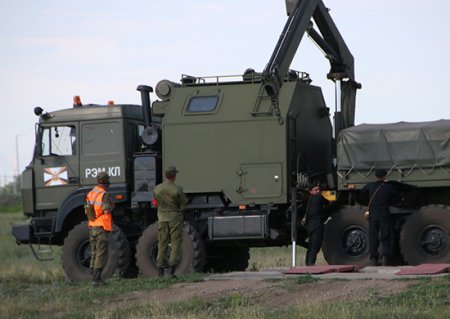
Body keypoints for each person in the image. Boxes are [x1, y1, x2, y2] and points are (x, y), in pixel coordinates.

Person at [153, 166, 188, 278]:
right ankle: (172, 271)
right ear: (174, 176)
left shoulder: (157, 189)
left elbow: (155, 204)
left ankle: (160, 271)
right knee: (175, 244)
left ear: (165, 175)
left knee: (162, 243)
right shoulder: (177, 189)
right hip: (175, 219)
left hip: (162, 218)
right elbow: (184, 205)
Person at [361, 169, 398, 266]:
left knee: (373, 237)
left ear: (375, 176)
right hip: (384, 215)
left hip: (373, 215)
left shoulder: (370, 185)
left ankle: (373, 258)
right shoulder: (389, 187)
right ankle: (385, 257)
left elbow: (362, 193)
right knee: (385, 236)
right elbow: (395, 198)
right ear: (385, 176)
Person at [86, 172, 114, 287]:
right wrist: (112, 206)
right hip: (101, 226)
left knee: (94, 252)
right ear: (106, 182)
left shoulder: (91, 193)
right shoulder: (104, 194)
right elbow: (106, 210)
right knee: (101, 253)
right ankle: (97, 279)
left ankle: (93, 276)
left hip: (92, 225)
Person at [304, 183, 329, 266]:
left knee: (311, 245)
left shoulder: (309, 200)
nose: (318, 191)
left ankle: (308, 262)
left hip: (310, 226)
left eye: (319, 190)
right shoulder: (318, 197)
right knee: (315, 244)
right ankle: (311, 263)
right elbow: (328, 203)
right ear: (311, 191)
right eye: (316, 190)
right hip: (317, 225)